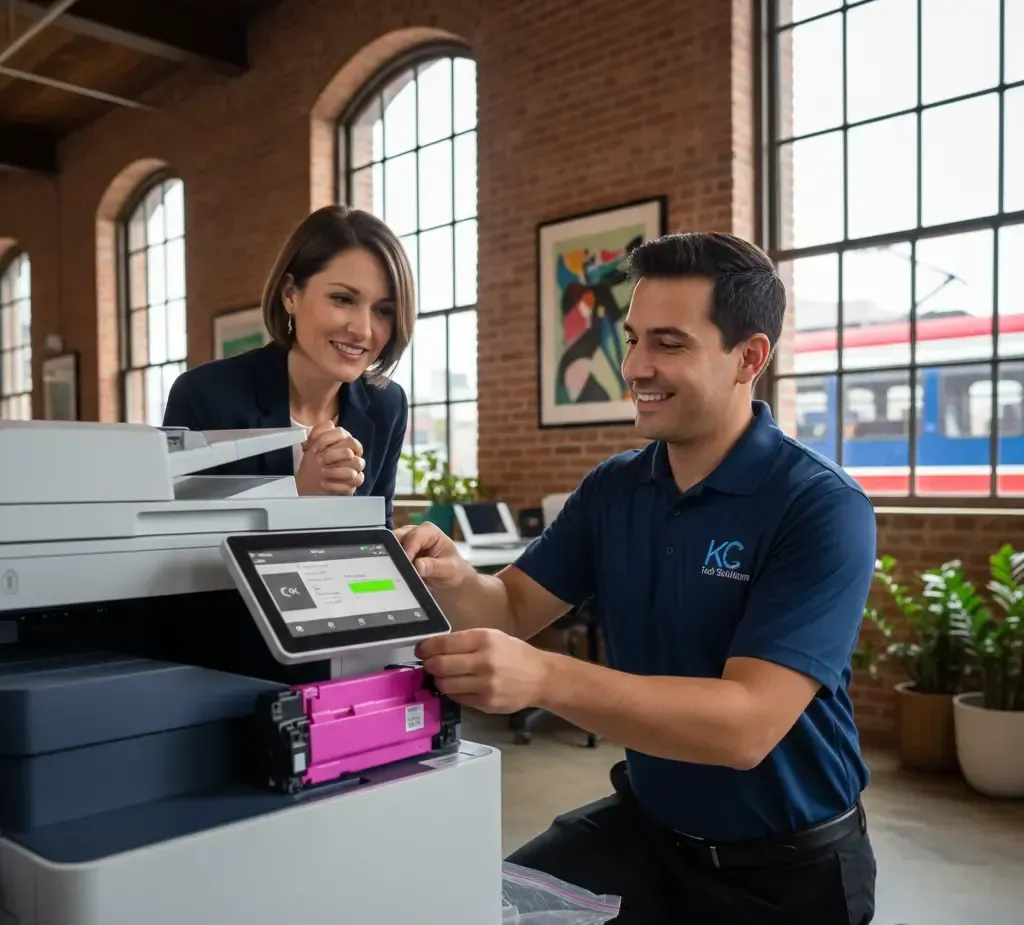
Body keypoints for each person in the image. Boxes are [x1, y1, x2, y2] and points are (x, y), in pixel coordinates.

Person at [396, 232, 878, 924]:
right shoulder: (614, 489)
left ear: (750, 357)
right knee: (477, 908)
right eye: (633, 339)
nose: (636, 366)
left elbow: (745, 725)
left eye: (670, 344)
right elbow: (506, 608)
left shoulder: (821, 505)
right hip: (647, 837)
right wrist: (450, 573)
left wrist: (545, 678)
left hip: (788, 871)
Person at [163, 205, 414, 527]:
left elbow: (379, 529)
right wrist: (297, 494)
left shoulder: (387, 404)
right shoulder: (203, 394)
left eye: (383, 310)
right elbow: (176, 542)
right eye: (342, 299)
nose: (363, 330)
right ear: (290, 294)